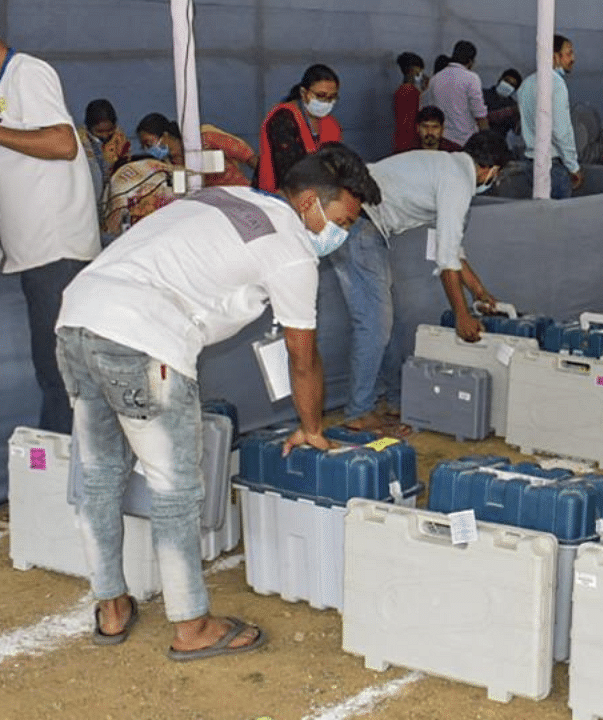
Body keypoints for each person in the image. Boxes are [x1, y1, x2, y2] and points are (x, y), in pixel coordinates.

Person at [55, 143, 380, 659]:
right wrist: (311, 425)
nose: (339, 234)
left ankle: (111, 608)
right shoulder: (292, 246)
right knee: (175, 489)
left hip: (77, 316)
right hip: (143, 336)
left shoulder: (229, 197)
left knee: (98, 476)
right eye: (342, 218)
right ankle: (192, 625)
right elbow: (303, 356)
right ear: (310, 203)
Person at [331, 132, 510, 433]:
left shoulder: (448, 168)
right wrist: (462, 316)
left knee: (391, 321)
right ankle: (359, 411)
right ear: (489, 168)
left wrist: (478, 291)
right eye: (497, 174)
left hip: (364, 225)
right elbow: (446, 258)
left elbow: (450, 249)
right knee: (375, 324)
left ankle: (396, 399)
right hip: (357, 224)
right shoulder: (458, 181)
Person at [0, 38, 100, 434]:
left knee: (62, 375)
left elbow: (62, 143)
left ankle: (64, 478)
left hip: (56, 248)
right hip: (32, 249)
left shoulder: (27, 72)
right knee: (55, 371)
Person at [256, 64, 342, 193]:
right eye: (320, 95)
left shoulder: (330, 123)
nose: (326, 102)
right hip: (279, 195)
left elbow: (338, 161)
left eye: (332, 97)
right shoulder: (282, 118)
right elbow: (289, 172)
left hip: (319, 193)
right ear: (303, 93)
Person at [517, 34, 582, 199]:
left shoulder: (526, 84)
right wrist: (573, 166)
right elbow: (561, 131)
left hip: (530, 162)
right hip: (553, 165)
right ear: (554, 56)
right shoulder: (557, 84)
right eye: (569, 53)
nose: (573, 58)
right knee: (558, 221)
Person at [136, 113, 258, 188]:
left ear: (165, 135)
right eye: (144, 147)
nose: (148, 150)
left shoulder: (204, 138)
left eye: (149, 144)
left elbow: (249, 157)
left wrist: (269, 186)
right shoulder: (167, 166)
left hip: (241, 193)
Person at [423, 40, 489, 147]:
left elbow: (430, 109)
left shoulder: (435, 78)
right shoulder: (471, 78)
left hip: (442, 139)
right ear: (470, 61)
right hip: (464, 141)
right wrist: (488, 138)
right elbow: (479, 113)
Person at [78, 98, 131, 224]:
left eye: (109, 130)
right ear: (88, 127)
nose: (105, 135)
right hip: (88, 194)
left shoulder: (119, 138)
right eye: (100, 131)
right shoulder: (78, 140)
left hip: (112, 194)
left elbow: (126, 165)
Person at [392, 51, 425, 153]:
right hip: (412, 142)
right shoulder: (413, 92)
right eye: (419, 71)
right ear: (413, 70)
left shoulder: (399, 91)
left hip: (401, 141)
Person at [481, 68, 522, 139]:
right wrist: (510, 111)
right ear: (500, 80)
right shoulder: (482, 94)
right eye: (506, 81)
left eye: (512, 85)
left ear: (515, 90)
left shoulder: (513, 104)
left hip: (498, 143)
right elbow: (482, 118)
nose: (507, 85)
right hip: (479, 139)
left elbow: (516, 131)